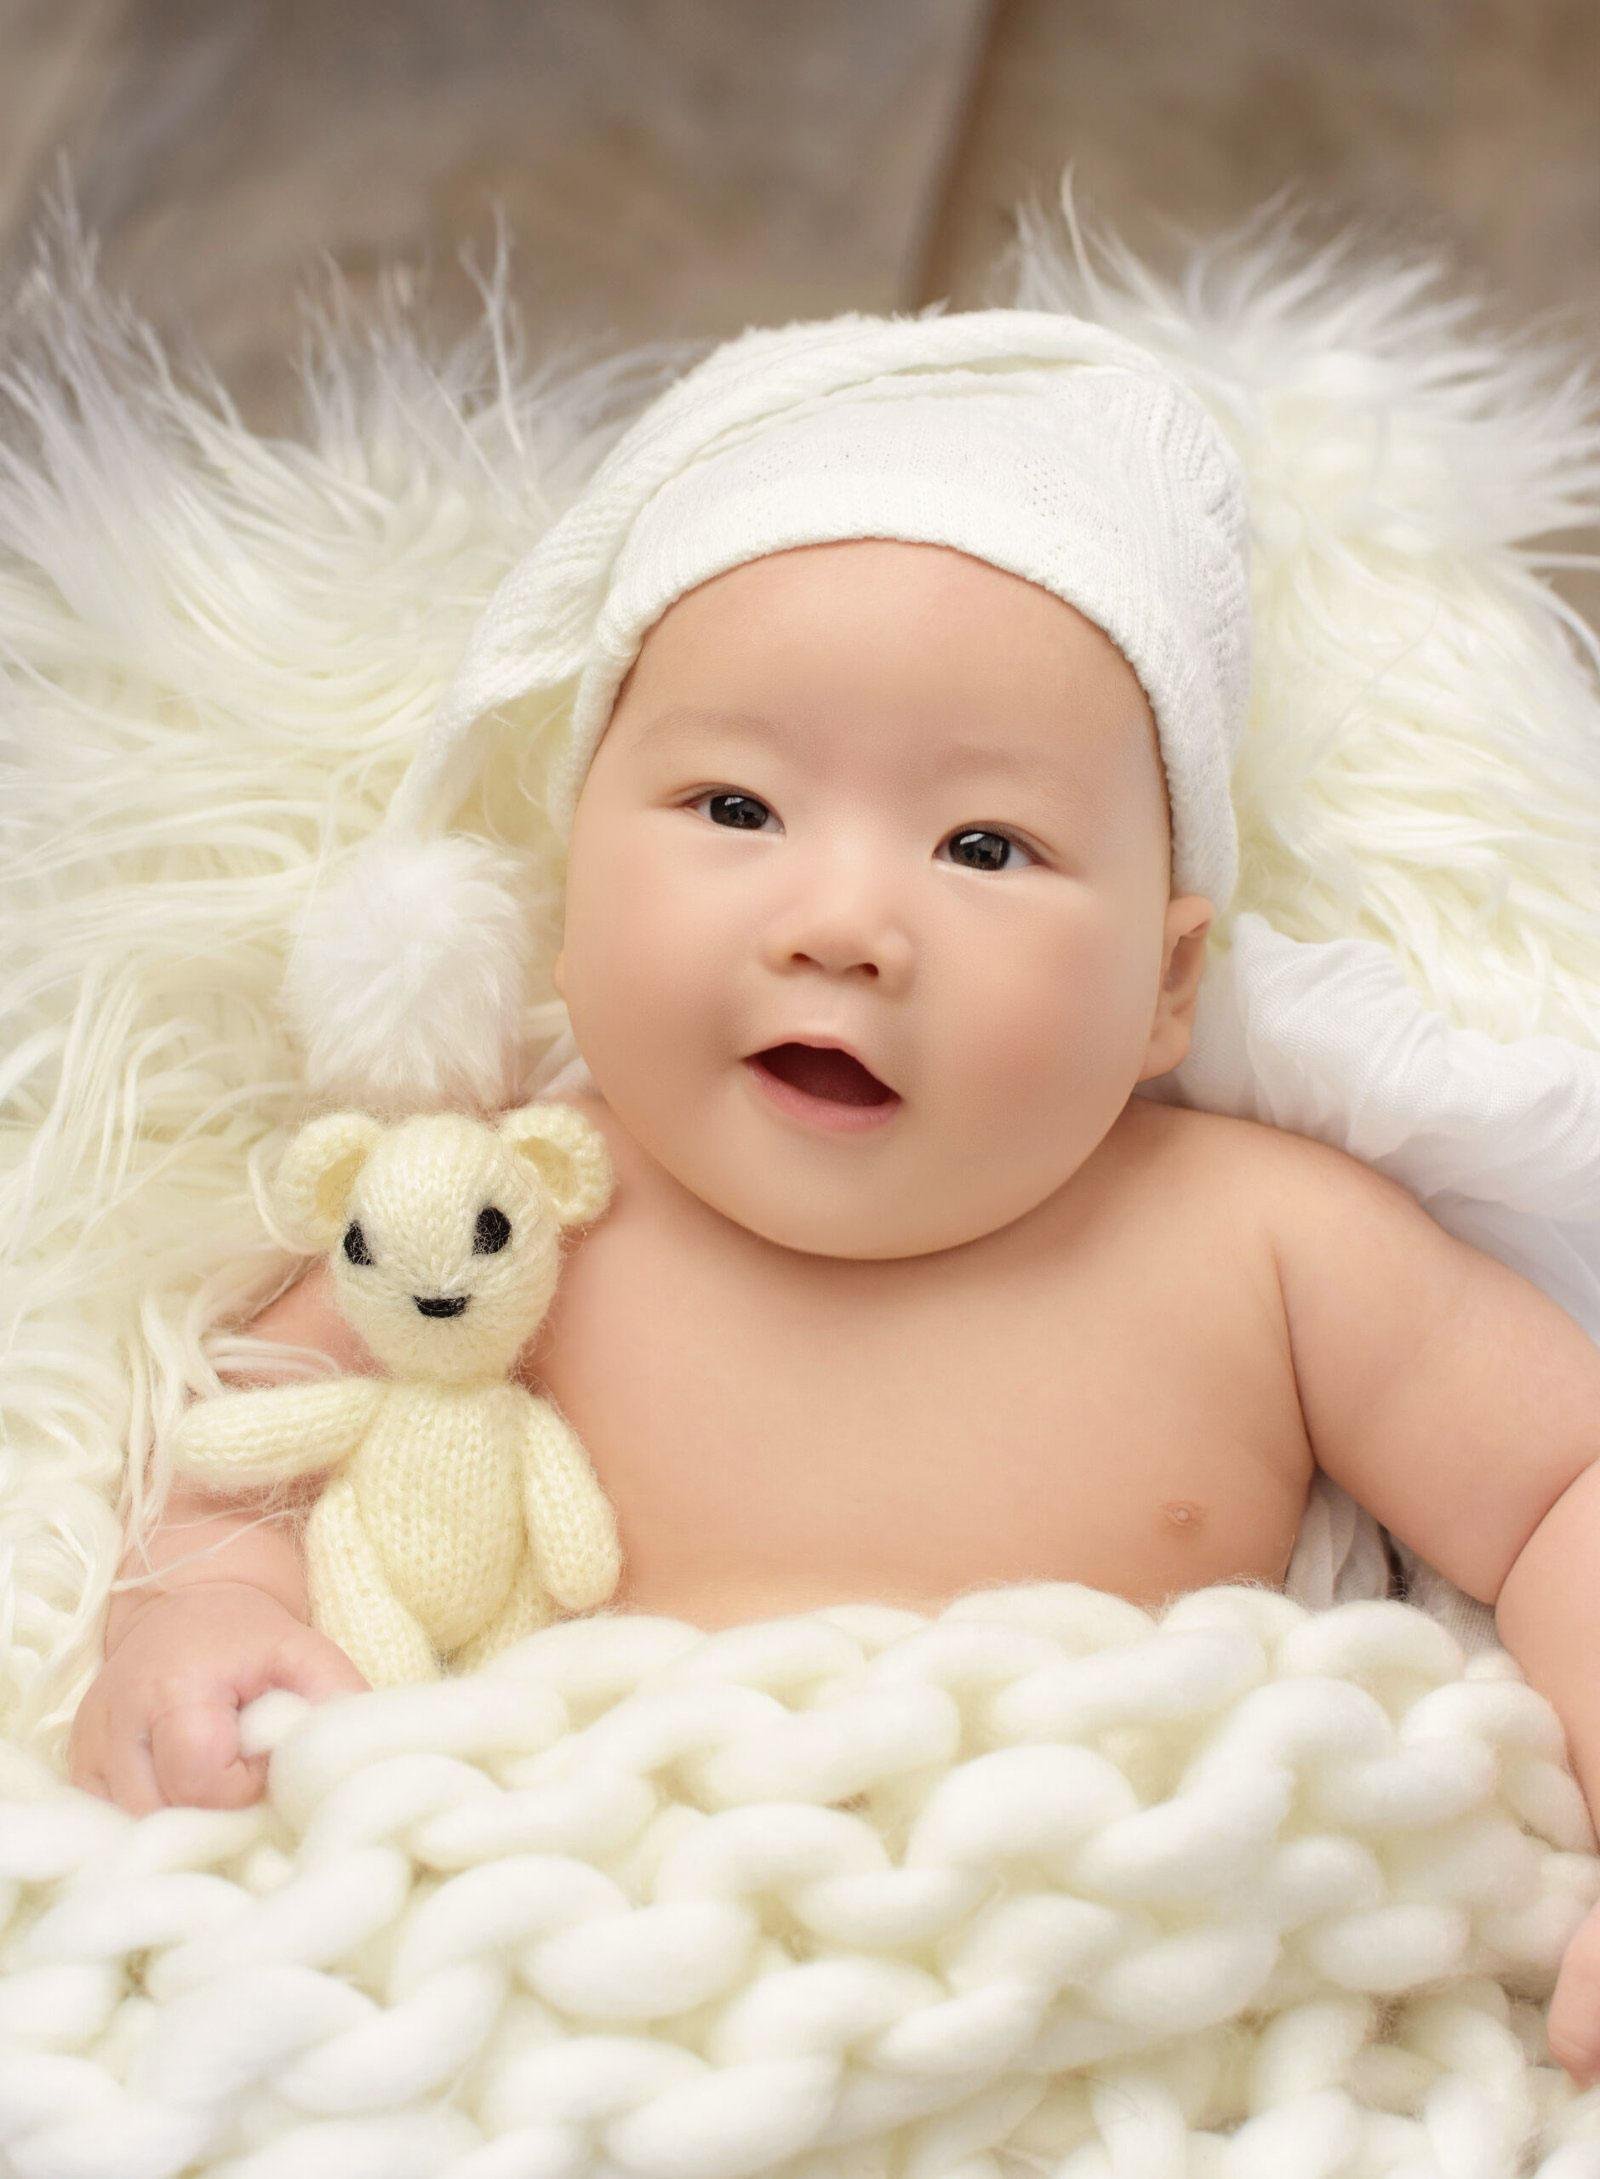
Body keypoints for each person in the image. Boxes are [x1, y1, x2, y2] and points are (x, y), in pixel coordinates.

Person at [66, 297, 1600, 2083]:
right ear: (567, 891)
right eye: (735, 807)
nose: (843, 924)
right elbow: (238, 1456)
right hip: (583, 2006)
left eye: (983, 847)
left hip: (1137, 2016)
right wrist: (201, 1628)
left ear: (1168, 984)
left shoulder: (1266, 1243)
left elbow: (1568, 1485)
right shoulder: (504, 1225)